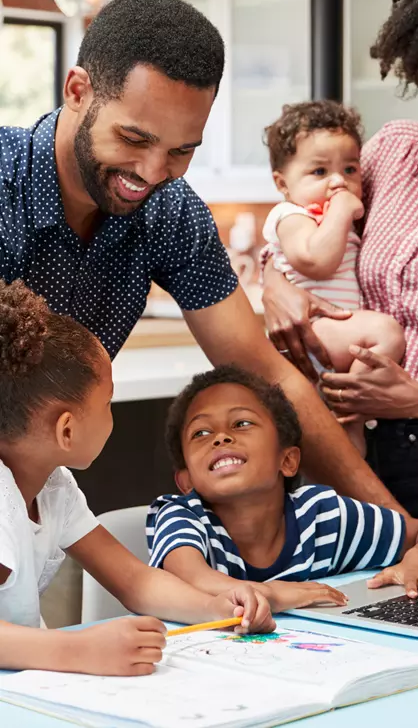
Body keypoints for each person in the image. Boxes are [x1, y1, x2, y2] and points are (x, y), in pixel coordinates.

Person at [0, 0, 418, 540]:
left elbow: (268, 376)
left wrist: (402, 529)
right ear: (78, 91)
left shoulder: (172, 215)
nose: (151, 173)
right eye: (133, 138)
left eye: (181, 151)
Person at [261, 0, 418, 522]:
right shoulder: (393, 152)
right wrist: (273, 280)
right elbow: (306, 213)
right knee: (350, 603)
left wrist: (413, 397)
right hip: (343, 430)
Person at [0, 280, 274, 675]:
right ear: (67, 431)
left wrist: (217, 608)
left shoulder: (53, 487)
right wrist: (77, 649)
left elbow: (135, 581)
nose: (111, 414)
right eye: (107, 402)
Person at [146, 365, 418, 610]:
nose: (221, 438)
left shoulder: (323, 516)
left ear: (287, 460)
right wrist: (269, 593)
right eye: (201, 432)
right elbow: (191, 577)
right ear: (186, 482)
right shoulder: (182, 516)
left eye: (241, 423)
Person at [262, 100, 405, 453]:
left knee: (343, 447)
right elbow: (315, 261)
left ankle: (348, 427)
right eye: (319, 172)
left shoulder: (335, 221)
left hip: (334, 336)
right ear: (283, 183)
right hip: (312, 329)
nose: (338, 181)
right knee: (387, 332)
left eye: (350, 169)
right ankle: (350, 397)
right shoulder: (291, 215)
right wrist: (342, 209)